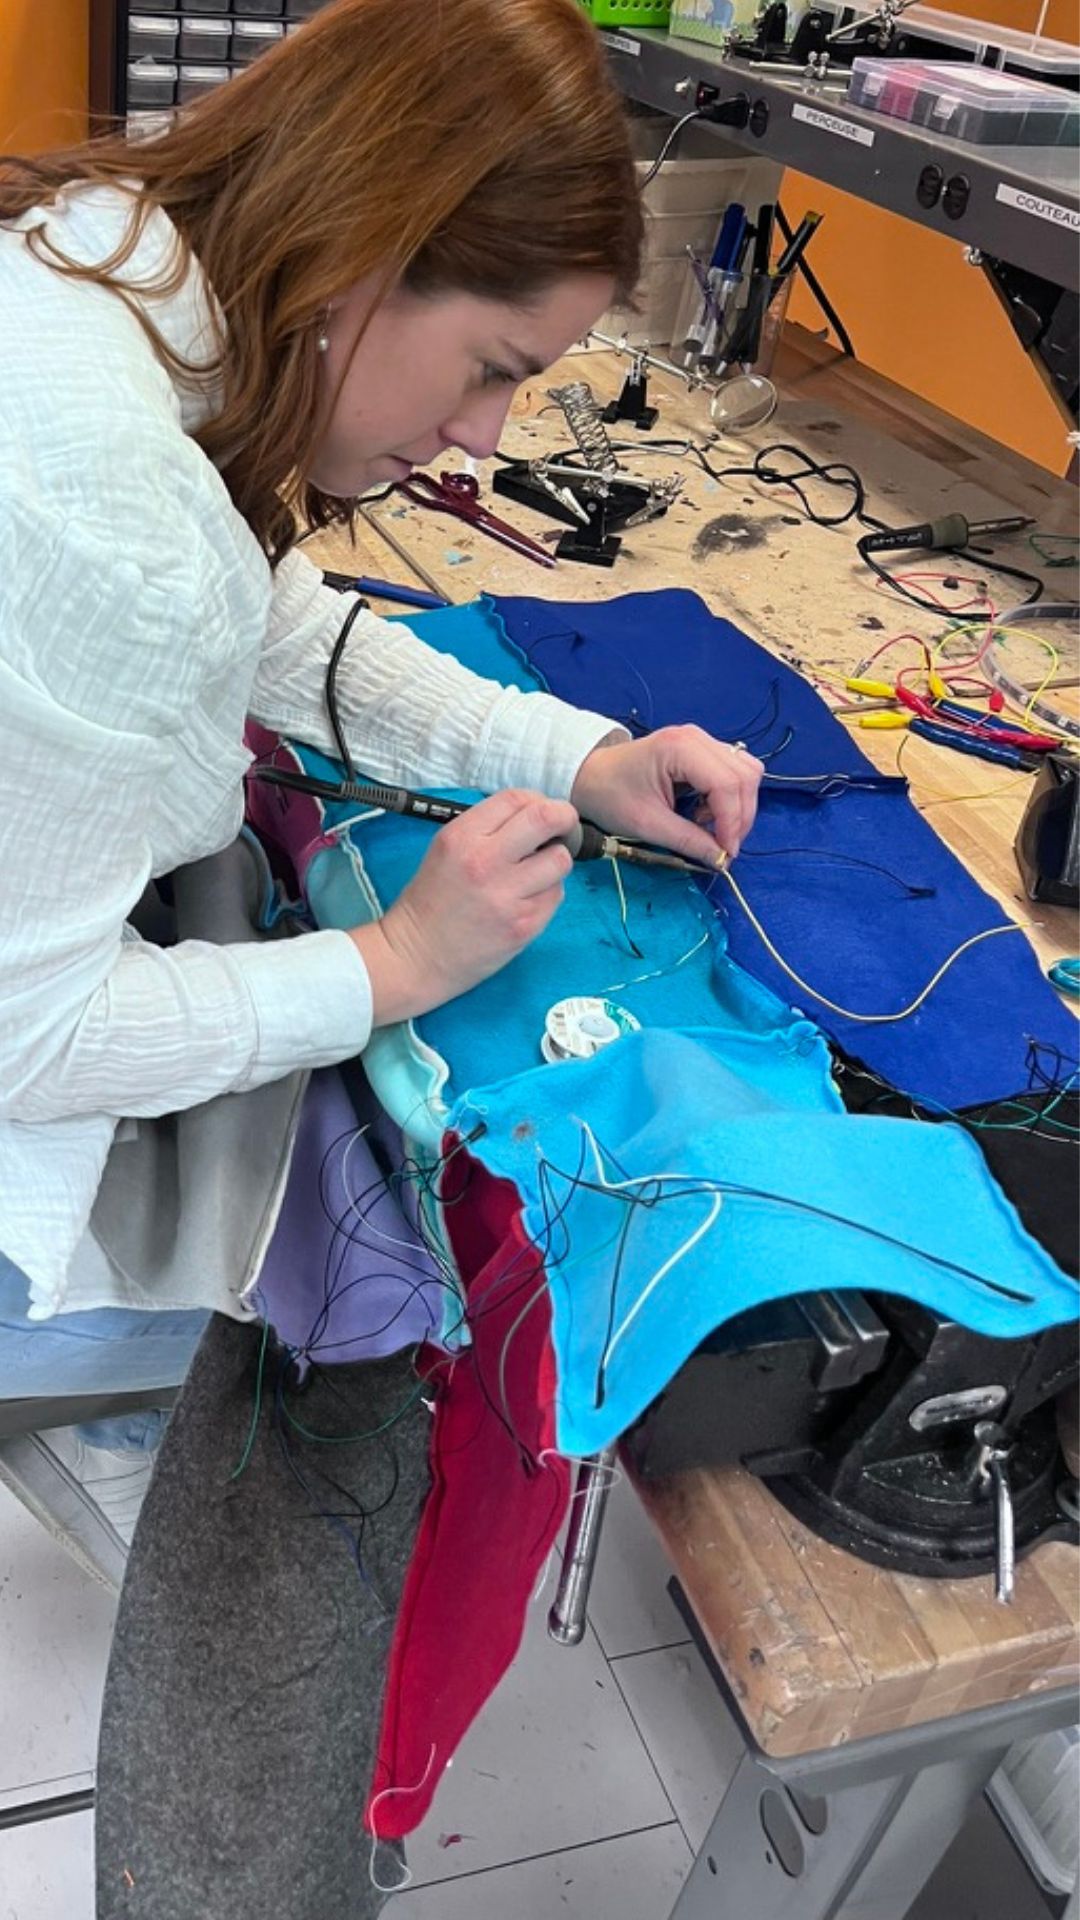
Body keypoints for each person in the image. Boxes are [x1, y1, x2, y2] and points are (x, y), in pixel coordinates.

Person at [0, 0, 762, 1911]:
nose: (486, 439)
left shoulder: (115, 277)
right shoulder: (103, 508)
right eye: (493, 366)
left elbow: (275, 623)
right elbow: (28, 1038)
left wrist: (573, 755)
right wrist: (395, 967)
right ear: (367, 245)